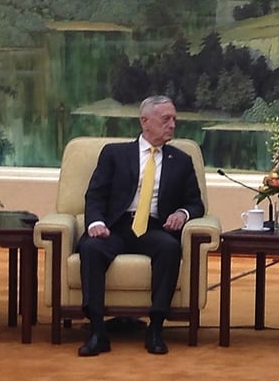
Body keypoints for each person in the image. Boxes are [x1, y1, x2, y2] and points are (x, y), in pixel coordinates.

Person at [75, 95, 204, 357]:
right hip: (116, 226)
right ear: (145, 121)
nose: (172, 125)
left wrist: (182, 214)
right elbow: (96, 195)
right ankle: (97, 331)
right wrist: (96, 223)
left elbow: (195, 204)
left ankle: (155, 329)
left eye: (174, 119)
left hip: (155, 228)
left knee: (169, 249)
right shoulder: (115, 154)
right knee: (91, 248)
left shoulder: (181, 160)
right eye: (165, 119)